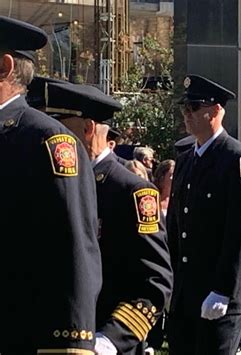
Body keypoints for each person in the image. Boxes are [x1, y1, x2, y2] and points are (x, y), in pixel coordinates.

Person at [33, 81, 173, 354]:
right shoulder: (53, 182)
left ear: (87, 129)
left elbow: (155, 282)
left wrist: (110, 338)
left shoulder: (131, 191)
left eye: (57, 124)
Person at [0, 16, 102, 354]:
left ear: (5, 66)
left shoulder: (47, 140)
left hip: (22, 335)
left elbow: (73, 249)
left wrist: (71, 343)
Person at [166, 74, 241, 355]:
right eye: (185, 108)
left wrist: (223, 288)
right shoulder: (186, 160)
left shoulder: (238, 160)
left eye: (194, 107)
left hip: (220, 294)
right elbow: (176, 226)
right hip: (187, 291)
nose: (187, 114)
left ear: (216, 111)